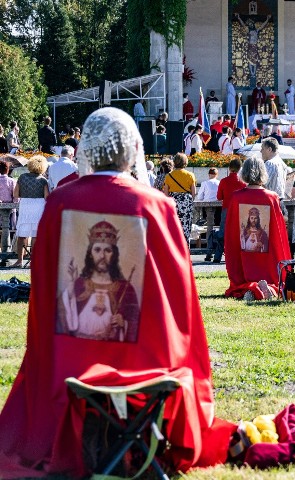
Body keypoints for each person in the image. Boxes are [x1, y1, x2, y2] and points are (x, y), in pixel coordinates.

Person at [0, 107, 233, 476]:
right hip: (147, 365)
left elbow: (44, 294)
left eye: (110, 249)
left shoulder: (61, 202)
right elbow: (179, 296)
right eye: (97, 248)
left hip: (70, 363)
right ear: (132, 150)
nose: (104, 254)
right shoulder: (156, 206)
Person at [57, 220, 140, 341]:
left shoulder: (125, 288)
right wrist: (71, 288)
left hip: (112, 351)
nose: (102, 256)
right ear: (90, 253)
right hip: (79, 348)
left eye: (108, 250)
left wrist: (124, 324)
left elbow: (136, 322)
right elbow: (60, 316)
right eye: (97, 250)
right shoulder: (78, 284)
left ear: (114, 254)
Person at [223, 156, 291, 300]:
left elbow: (231, 231)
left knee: (241, 283)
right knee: (274, 283)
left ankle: (250, 289)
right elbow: (279, 231)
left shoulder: (236, 197)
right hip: (266, 256)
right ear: (262, 172)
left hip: (245, 254)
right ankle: (268, 289)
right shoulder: (272, 197)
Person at [12, 155, 49, 267]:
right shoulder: (43, 180)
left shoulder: (22, 177)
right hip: (39, 206)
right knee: (36, 235)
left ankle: (19, 261)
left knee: (22, 235)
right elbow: (47, 196)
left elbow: (15, 194)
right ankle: (33, 260)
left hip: (26, 205)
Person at [213, 159, 246, 264]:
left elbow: (219, 197)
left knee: (223, 233)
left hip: (226, 209)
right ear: (240, 168)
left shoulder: (223, 181)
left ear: (229, 168)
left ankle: (217, 256)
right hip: (239, 210)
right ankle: (236, 256)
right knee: (238, 233)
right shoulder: (243, 183)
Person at [162, 153, 197, 244]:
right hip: (186, 203)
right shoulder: (190, 175)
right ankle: (185, 251)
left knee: (173, 227)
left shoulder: (169, 176)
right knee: (185, 228)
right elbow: (194, 193)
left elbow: (166, 194)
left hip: (173, 204)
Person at [0, 161, 17, 233]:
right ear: (7, 170)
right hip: (10, 208)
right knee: (10, 229)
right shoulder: (12, 181)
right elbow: (16, 196)